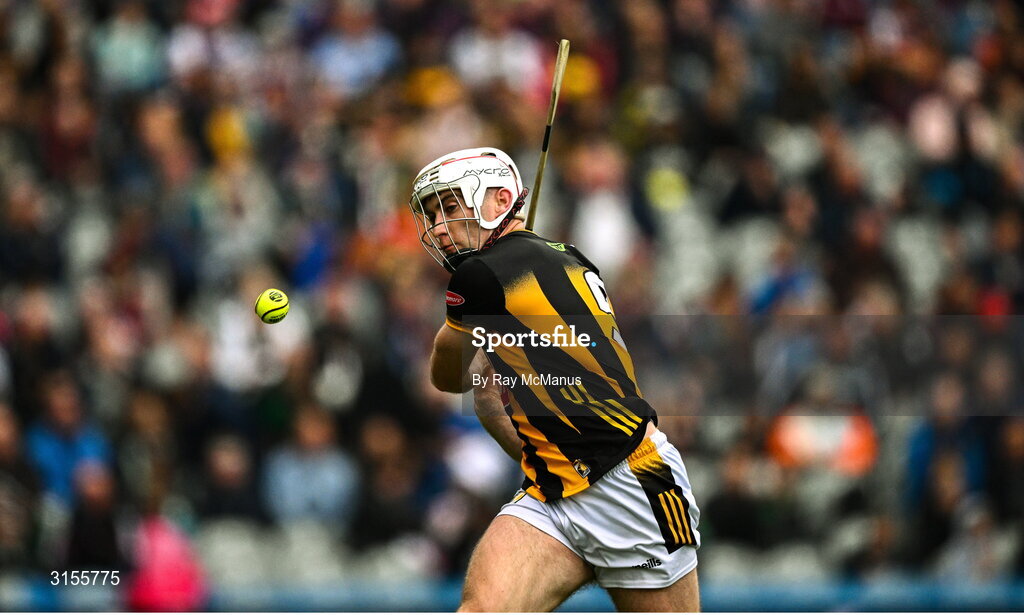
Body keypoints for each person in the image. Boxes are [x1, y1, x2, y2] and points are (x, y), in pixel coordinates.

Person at [409, 148, 701, 611]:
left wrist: (477, 352)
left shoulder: (478, 276)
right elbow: (499, 409)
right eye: (431, 214)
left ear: (500, 198)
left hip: (631, 483)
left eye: (450, 207)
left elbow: (447, 377)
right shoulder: (568, 255)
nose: (440, 227)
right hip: (553, 493)